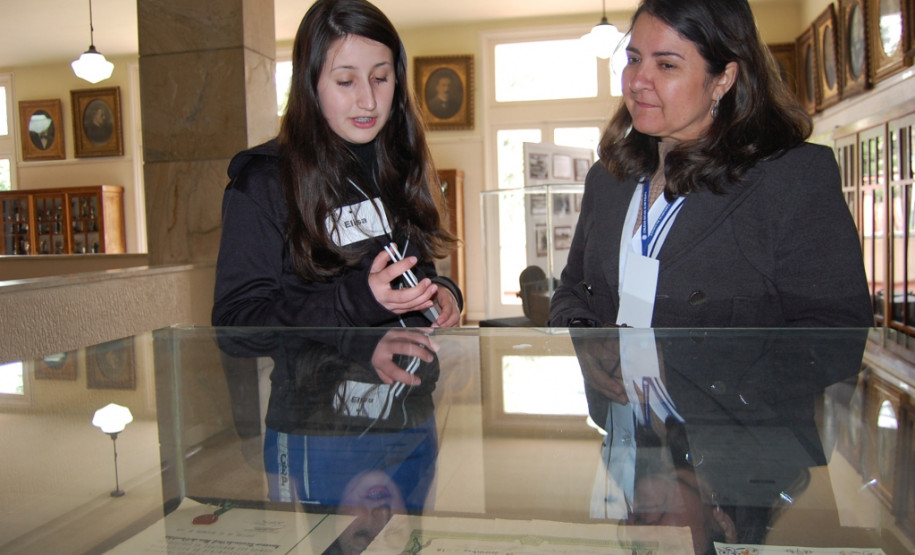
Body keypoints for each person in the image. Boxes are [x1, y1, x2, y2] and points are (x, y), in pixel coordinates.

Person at [549, 0, 873, 329]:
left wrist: (693, 370)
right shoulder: (606, 178)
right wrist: (590, 341)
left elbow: (837, 332)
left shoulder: (792, 177)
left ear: (723, 79)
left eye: (666, 65)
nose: (636, 80)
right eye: (634, 59)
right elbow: (572, 290)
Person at [212, 0, 463, 328]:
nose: (369, 101)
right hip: (319, 378)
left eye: (380, 78)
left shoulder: (397, 161)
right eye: (346, 81)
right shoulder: (263, 182)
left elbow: (416, 266)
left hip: (413, 374)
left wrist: (441, 291)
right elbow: (235, 323)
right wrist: (355, 301)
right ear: (310, 84)